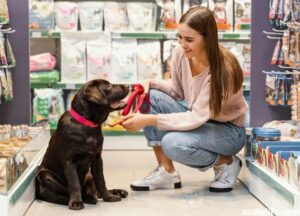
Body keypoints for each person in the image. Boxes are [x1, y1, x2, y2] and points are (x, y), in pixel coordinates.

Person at [121, 6, 248, 193]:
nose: (182, 44)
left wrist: (148, 120)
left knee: (172, 143)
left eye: (189, 40)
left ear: (208, 39)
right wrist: (149, 82)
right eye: (179, 37)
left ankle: (226, 162)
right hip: (200, 120)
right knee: (149, 96)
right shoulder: (182, 53)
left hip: (229, 132)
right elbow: (178, 92)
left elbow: (195, 117)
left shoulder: (223, 71)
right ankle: (167, 172)